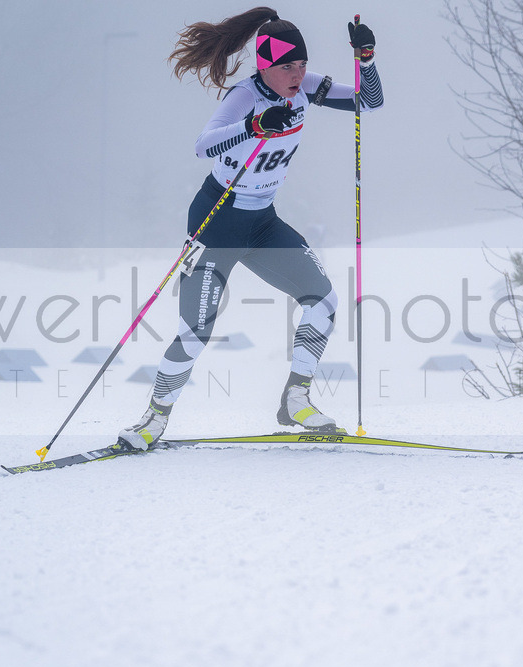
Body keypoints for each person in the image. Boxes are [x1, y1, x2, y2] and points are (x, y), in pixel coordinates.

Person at [118, 8, 383, 450]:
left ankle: (296, 398)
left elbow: (367, 102)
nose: (298, 75)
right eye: (288, 67)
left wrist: (367, 60)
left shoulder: (307, 87)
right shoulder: (245, 96)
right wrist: (253, 126)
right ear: (266, 66)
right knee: (195, 329)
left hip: (261, 223)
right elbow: (203, 145)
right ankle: (153, 419)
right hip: (216, 222)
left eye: (302, 65)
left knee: (323, 302)